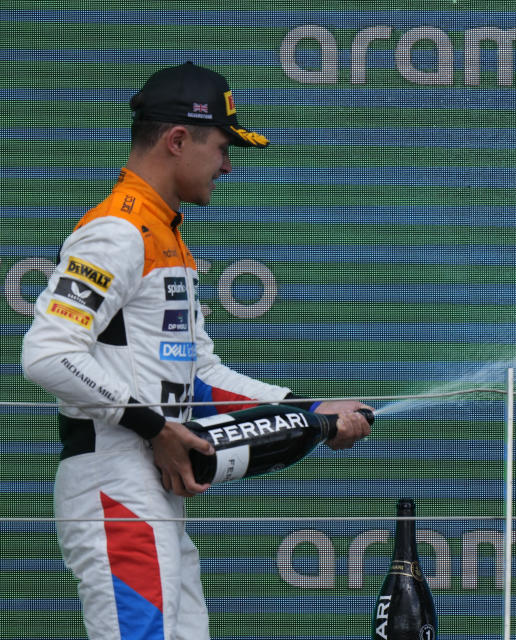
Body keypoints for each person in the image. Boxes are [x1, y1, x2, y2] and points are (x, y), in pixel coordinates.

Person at [20, 62, 373, 639]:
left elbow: (199, 379)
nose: (229, 164)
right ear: (178, 140)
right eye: (222, 146)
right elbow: (48, 353)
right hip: (114, 482)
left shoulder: (167, 236)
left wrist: (308, 410)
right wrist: (155, 427)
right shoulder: (116, 231)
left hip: (150, 487)